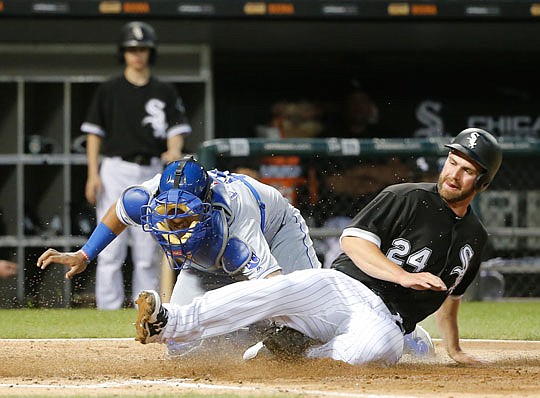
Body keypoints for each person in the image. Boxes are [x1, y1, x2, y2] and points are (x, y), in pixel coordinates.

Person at [129, 128, 502, 366]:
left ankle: (290, 356)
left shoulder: (475, 238)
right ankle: (172, 321)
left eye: (467, 170)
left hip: (386, 321)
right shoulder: (406, 197)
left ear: (481, 182)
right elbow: (354, 242)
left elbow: (451, 297)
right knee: (277, 289)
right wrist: (403, 276)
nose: (453, 174)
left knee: (376, 349)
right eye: (452, 162)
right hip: (341, 289)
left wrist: (453, 348)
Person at [37, 156, 321, 353]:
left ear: (205, 205)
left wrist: (273, 315)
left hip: (277, 231)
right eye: (169, 216)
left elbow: (275, 287)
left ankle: (271, 336)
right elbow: (121, 211)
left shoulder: (237, 223)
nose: (175, 226)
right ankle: (247, 338)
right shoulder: (150, 194)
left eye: (184, 217)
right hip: (207, 257)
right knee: (182, 350)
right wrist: (85, 255)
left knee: (303, 316)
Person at [80, 21, 192, 309]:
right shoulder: (110, 89)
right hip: (116, 167)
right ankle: (108, 308)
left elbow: (176, 130)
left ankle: (145, 308)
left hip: (152, 170)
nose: (137, 55)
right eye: (132, 49)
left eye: (142, 49)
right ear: (124, 53)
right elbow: (94, 133)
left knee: (147, 248)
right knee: (110, 246)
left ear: (150, 52)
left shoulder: (164, 90)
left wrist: (174, 150)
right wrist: (92, 173)